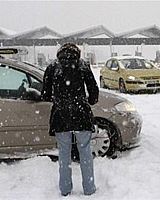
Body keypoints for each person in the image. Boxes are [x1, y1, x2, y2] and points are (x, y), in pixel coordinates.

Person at [41, 43, 99, 196]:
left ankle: (65, 189)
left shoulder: (53, 67)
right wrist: (88, 101)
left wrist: (57, 99)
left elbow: (45, 93)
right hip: (81, 115)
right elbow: (94, 91)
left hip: (61, 116)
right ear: (77, 53)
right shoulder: (83, 66)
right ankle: (89, 188)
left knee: (64, 154)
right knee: (85, 152)